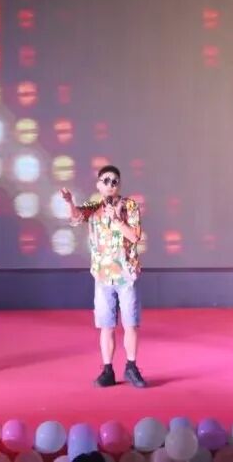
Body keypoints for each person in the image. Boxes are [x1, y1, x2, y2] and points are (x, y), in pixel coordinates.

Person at [60, 164, 147, 388]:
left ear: (119, 185)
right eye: (106, 181)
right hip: (102, 276)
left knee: (130, 324)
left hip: (126, 276)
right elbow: (76, 218)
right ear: (98, 185)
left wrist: (117, 220)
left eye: (114, 181)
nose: (110, 185)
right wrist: (70, 203)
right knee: (106, 326)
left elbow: (135, 236)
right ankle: (107, 370)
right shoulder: (94, 206)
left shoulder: (129, 206)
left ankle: (131, 367)